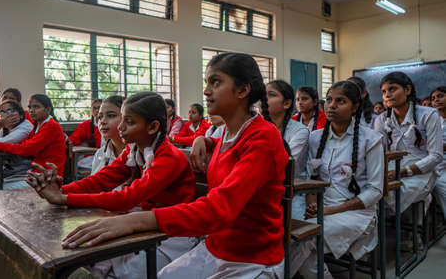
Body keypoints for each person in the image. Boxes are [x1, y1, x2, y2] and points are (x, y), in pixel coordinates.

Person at [61, 53, 289, 279]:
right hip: (216, 246)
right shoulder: (228, 133)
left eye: (215, 82)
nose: (206, 91)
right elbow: (230, 147)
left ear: (242, 90)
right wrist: (205, 140)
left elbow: (220, 207)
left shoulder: (263, 138)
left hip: (253, 258)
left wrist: (135, 220)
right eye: (206, 82)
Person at [26, 92, 196, 278]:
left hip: (172, 233)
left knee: (125, 273)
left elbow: (128, 198)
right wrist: (60, 190)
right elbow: (101, 180)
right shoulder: (135, 150)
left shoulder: (169, 157)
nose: (121, 127)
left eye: (129, 122)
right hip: (144, 223)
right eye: (122, 119)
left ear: (153, 127)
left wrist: (64, 198)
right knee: (94, 259)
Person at [291, 81, 384, 279]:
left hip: (356, 212)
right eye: (330, 100)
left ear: (355, 107)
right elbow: (309, 178)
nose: (331, 106)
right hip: (320, 208)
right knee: (289, 233)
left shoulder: (371, 139)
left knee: (305, 238)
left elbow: (375, 191)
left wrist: (328, 210)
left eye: (340, 101)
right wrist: (313, 204)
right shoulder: (315, 137)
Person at [374, 72, 442, 214]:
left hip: (422, 171)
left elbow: (436, 155)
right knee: (372, 190)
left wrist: (404, 172)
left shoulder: (428, 115)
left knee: (392, 193)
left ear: (407, 90)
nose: (387, 95)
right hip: (391, 170)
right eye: (384, 91)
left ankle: (404, 230)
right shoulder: (381, 120)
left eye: (392, 89)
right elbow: (379, 153)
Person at [0, 94, 66, 189]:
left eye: (36, 107)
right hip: (35, 172)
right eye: (30, 107)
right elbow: (24, 145)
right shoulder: (37, 125)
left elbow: (27, 149)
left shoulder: (51, 126)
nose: (32, 110)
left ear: (48, 109)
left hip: (47, 177)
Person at [267, 80, 310, 220]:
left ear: (286, 103)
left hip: (291, 194)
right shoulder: (255, 127)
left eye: (271, 95)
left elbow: (282, 163)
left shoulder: (300, 131)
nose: (264, 99)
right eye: (263, 95)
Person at [0, 100, 34, 178]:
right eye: (2, 113)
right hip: (6, 170)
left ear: (20, 115)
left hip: (22, 173)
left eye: (9, 111)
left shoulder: (26, 127)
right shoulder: (4, 127)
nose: (6, 115)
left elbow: (0, 144)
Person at [91, 95, 125, 174]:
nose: (102, 121)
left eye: (111, 116)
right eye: (100, 117)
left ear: (127, 118)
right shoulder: (100, 153)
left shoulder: (137, 154)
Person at [68, 99, 102, 170]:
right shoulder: (87, 125)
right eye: (94, 108)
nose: (96, 110)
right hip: (91, 155)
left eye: (99, 108)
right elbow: (73, 139)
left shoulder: (111, 124)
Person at [431, 86, 446, 219]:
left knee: (441, 185)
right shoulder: (434, 119)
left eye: (440, 96)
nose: (436, 100)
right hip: (435, 162)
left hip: (443, 166)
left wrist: (436, 145)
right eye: (433, 98)